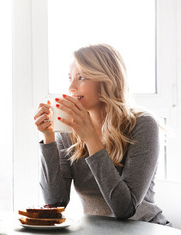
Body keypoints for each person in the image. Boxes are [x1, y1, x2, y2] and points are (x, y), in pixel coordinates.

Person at [33, 44, 171, 225]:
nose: (71, 87)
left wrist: (91, 138)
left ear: (107, 81)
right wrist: (49, 138)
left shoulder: (142, 125)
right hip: (98, 233)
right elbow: (55, 203)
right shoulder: (70, 131)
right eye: (70, 78)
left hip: (144, 230)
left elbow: (124, 209)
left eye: (81, 77)